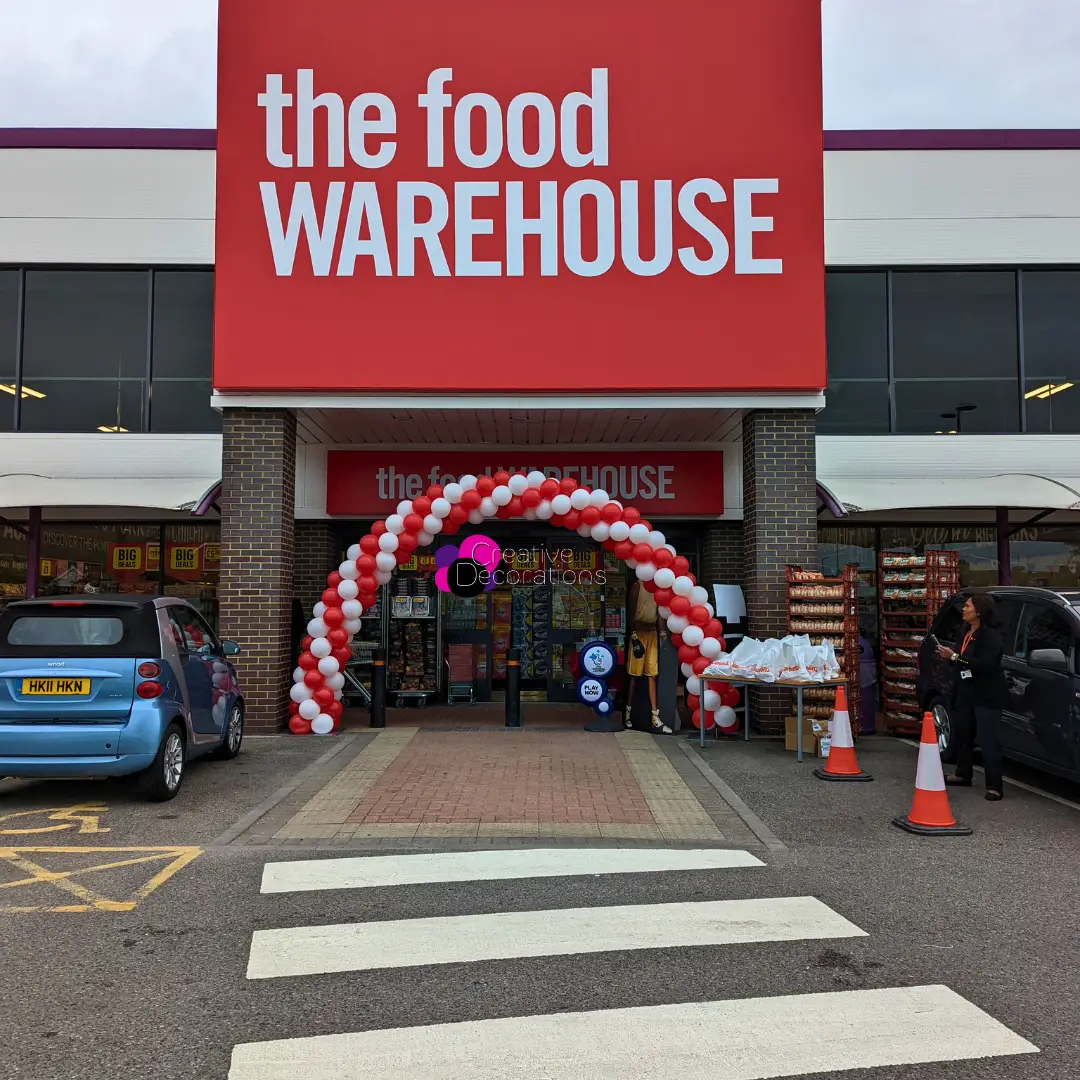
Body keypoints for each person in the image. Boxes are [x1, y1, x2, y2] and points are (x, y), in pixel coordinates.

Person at [935, 593, 1007, 800]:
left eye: (967, 606)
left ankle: (994, 786)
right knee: (963, 733)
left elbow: (986, 665)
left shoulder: (990, 635)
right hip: (965, 689)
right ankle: (962, 773)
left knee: (988, 739)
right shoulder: (965, 631)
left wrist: (956, 657)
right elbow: (961, 658)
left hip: (986, 693)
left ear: (979, 610)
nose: (964, 610)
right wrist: (950, 658)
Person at [624, 578, 672, 735]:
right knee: (634, 675)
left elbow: (659, 612)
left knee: (652, 674)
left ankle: (654, 716)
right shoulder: (638, 585)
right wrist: (632, 634)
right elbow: (630, 611)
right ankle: (627, 713)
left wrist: (662, 631)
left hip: (652, 632)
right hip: (638, 631)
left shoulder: (658, 587)